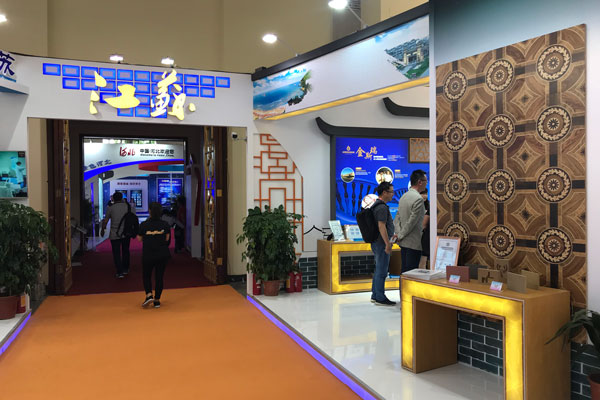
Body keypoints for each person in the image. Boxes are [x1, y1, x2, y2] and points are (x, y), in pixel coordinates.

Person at [138, 202, 171, 308]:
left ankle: (149, 295)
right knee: (159, 276)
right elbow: (167, 239)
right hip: (162, 254)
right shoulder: (165, 224)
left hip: (148, 253)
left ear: (149, 211)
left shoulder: (144, 225)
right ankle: (157, 300)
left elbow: (139, 239)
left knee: (146, 275)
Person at [394, 170, 428, 274]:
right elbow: (412, 222)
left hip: (403, 242)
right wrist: (401, 235)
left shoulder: (403, 196)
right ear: (420, 182)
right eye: (426, 181)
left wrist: (399, 234)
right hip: (413, 242)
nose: (427, 183)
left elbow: (397, 218)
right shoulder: (418, 199)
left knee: (404, 272)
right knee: (411, 273)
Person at [370, 181, 396, 306]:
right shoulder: (381, 208)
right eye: (391, 192)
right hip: (381, 243)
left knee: (379, 269)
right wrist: (387, 244)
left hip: (377, 242)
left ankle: (375, 295)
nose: (393, 194)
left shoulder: (377, 205)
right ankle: (380, 297)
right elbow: (382, 226)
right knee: (382, 271)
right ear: (384, 192)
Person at [100, 191, 136, 278]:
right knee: (125, 251)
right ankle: (126, 269)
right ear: (122, 198)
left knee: (116, 253)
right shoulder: (129, 207)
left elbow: (106, 220)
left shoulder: (111, 208)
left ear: (113, 199)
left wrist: (103, 229)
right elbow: (134, 218)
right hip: (126, 233)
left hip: (114, 234)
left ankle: (119, 272)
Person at [420, 188, 430, 268]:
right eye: (422, 194)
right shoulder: (416, 205)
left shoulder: (429, 205)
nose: (424, 196)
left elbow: (425, 223)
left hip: (426, 234)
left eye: (426, 194)